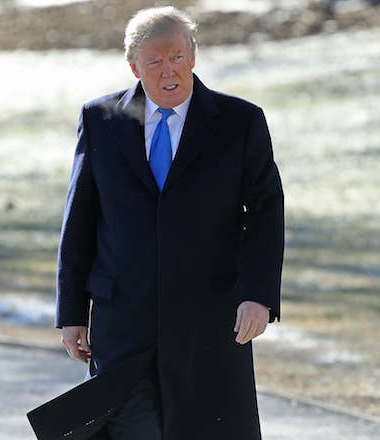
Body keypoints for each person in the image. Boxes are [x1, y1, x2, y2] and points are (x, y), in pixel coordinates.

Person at [55, 6, 284, 439]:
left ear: (193, 56)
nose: (169, 72)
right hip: (122, 321)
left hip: (210, 321)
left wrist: (259, 296)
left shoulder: (240, 122)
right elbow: (80, 218)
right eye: (155, 61)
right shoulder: (99, 120)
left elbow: (266, 214)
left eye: (177, 57)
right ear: (134, 66)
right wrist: (71, 312)